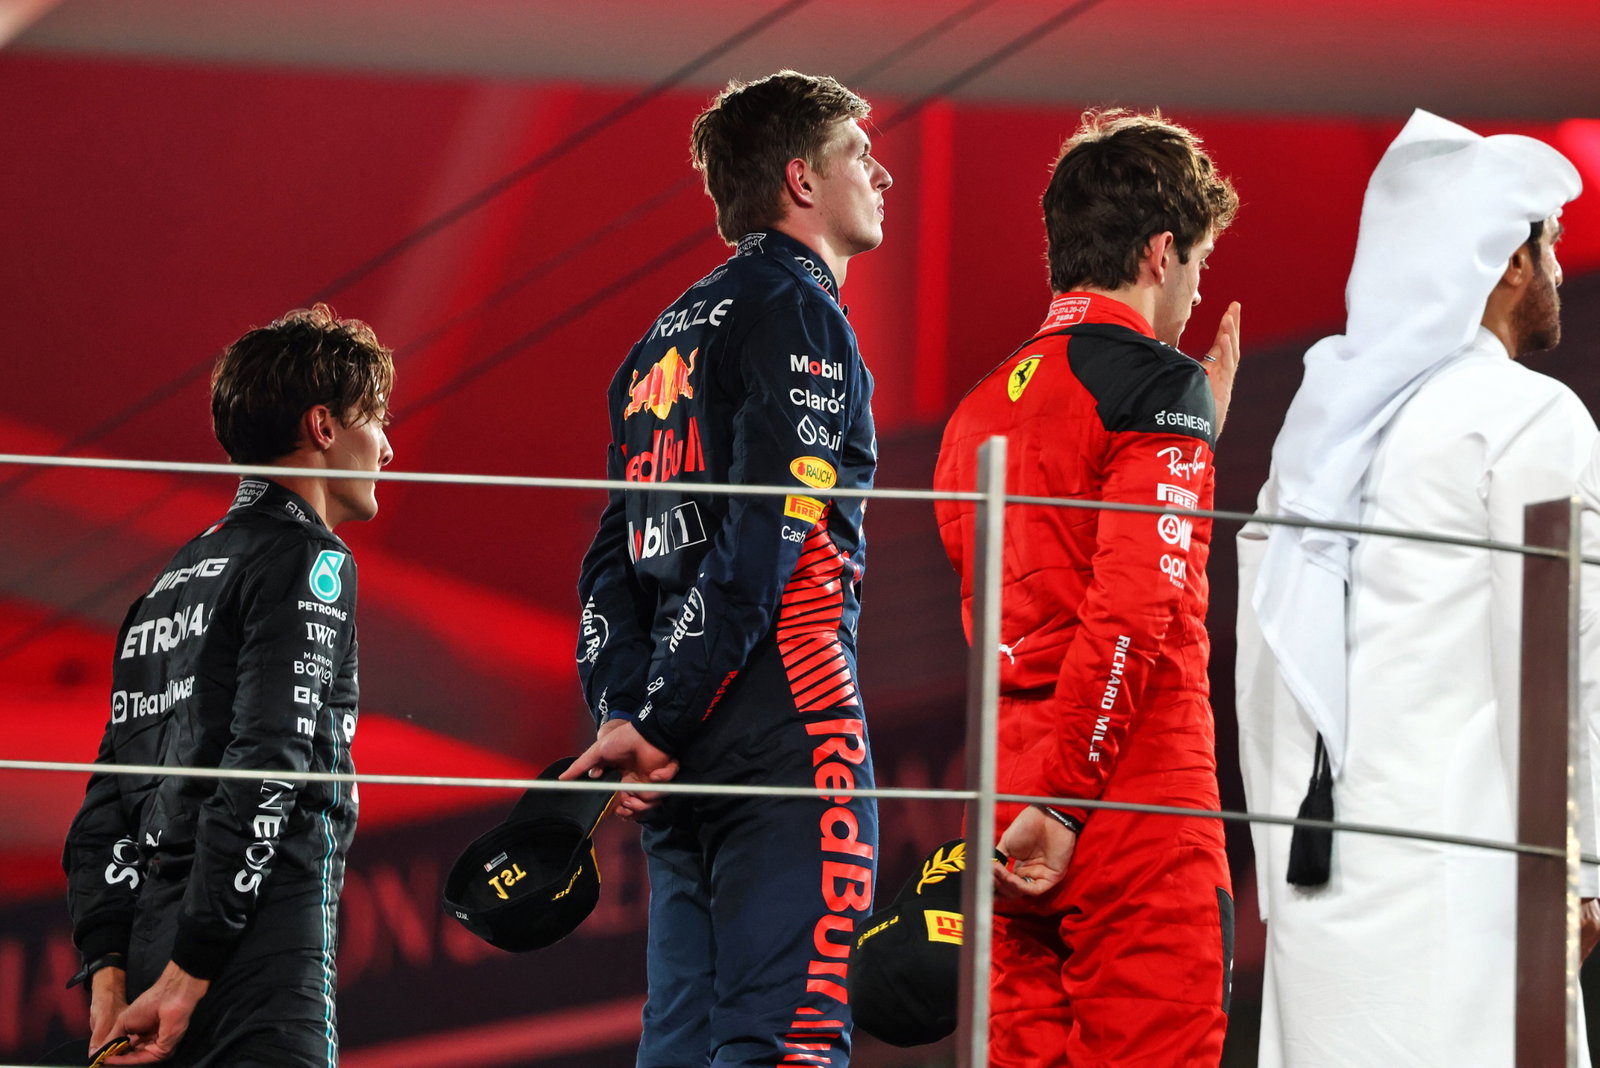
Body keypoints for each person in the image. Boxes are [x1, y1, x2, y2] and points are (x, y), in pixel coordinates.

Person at [1236, 109, 1592, 1066]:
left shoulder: (1313, 437)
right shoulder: (1527, 416)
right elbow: (1559, 659)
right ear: (1507, 266)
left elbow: (1262, 678)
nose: (1559, 269)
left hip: (1319, 898)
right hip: (1466, 897)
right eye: (1547, 244)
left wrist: (1280, 876)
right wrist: (1582, 868)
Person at [562, 70, 890, 1067]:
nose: (880, 173)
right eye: (855, 156)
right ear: (800, 180)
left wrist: (631, 715)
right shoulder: (798, 314)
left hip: (677, 751)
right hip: (783, 719)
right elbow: (769, 533)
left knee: (681, 1047)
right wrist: (659, 719)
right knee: (785, 1041)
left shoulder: (651, 344)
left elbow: (608, 565)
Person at [933, 109, 1242, 1065]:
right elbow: (1130, 616)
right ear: (1159, 252)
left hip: (1007, 820)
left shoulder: (974, 409)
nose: (1194, 293)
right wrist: (1069, 806)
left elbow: (1023, 608)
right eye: (1193, 263)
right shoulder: (1155, 385)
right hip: (1127, 813)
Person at [62, 304, 394, 1066]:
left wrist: (110, 978)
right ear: (323, 427)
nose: (387, 446)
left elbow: (104, 808)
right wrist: (194, 972)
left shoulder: (165, 586)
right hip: (252, 962)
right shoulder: (311, 560)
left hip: (146, 973)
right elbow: (268, 763)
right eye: (374, 420)